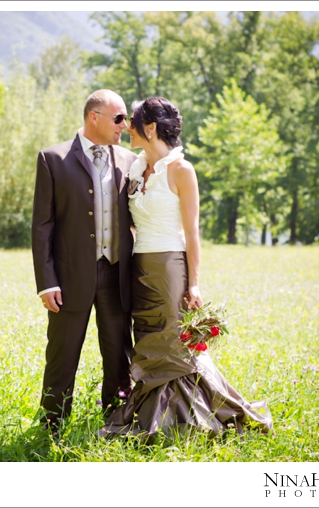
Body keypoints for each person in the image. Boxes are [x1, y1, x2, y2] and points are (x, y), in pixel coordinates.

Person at [100, 97, 273, 438]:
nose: (127, 127)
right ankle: (155, 414)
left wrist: (194, 284)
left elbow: (193, 233)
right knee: (148, 339)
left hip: (169, 268)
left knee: (172, 344)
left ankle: (191, 416)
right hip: (138, 268)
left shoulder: (181, 170)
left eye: (132, 121)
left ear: (150, 128)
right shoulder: (136, 167)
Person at [31, 89, 139, 430]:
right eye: (119, 118)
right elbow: (42, 226)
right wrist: (46, 281)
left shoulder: (129, 161)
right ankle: (53, 425)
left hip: (116, 274)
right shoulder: (53, 159)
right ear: (94, 117)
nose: (125, 125)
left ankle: (116, 421)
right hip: (69, 277)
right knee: (62, 356)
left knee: (118, 356)